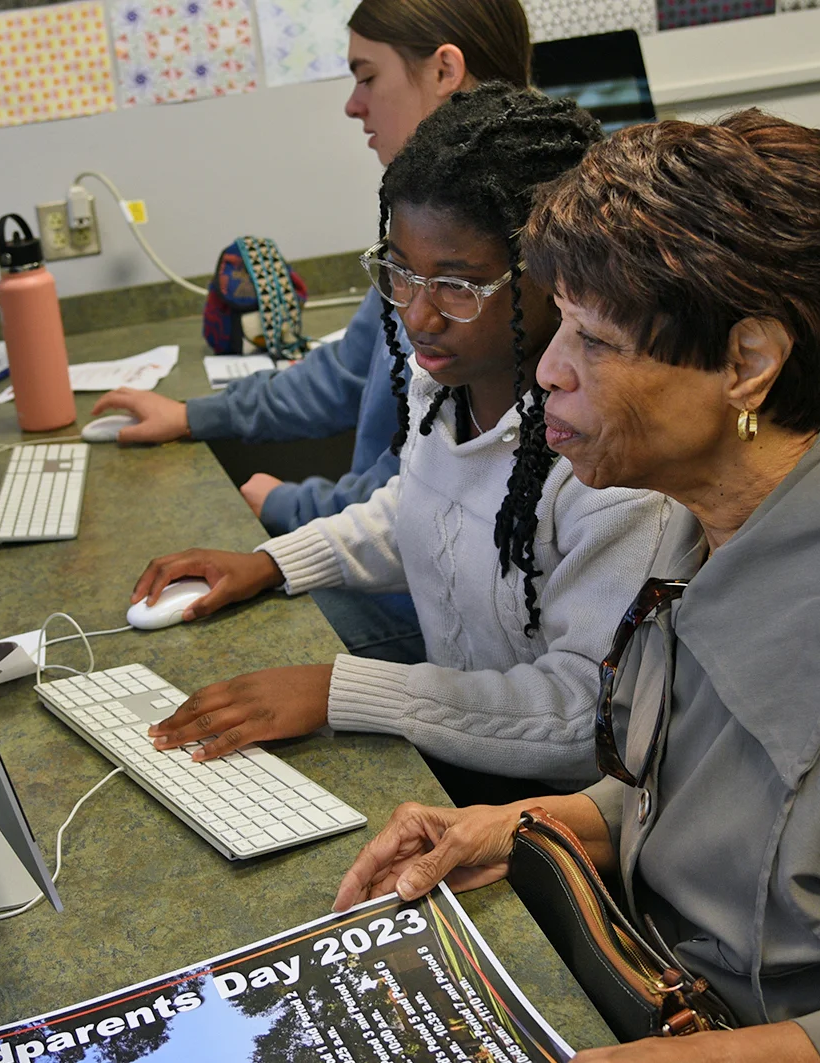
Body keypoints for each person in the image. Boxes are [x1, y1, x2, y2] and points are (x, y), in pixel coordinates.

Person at [333, 110, 820, 1062]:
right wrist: (522, 826)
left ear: (748, 364)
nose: (548, 370)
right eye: (558, 321)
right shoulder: (700, 521)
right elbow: (689, 797)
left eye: (596, 340)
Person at [132, 84, 672, 806]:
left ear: (555, 278)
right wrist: (273, 561)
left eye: (456, 284)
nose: (418, 313)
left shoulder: (607, 465)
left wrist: (344, 690)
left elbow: (585, 714)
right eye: (401, 272)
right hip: (460, 759)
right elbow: (421, 510)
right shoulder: (447, 382)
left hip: (556, 816)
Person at [91, 0, 533, 664]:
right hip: (401, 569)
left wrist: (286, 506)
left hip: (450, 611)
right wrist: (193, 414)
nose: (353, 106)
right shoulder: (424, 236)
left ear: (444, 70)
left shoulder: (518, 261)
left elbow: (442, 496)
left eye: (366, 76)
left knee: (227, 653)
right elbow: (351, 384)